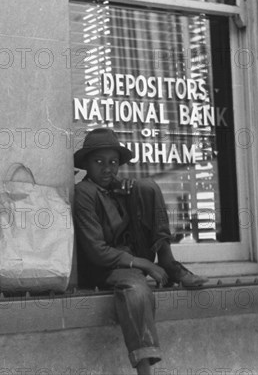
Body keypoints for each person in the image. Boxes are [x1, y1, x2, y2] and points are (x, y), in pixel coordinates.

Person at [73, 127, 208, 374]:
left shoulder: (118, 187)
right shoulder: (85, 192)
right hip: (106, 267)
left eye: (113, 162)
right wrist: (145, 264)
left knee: (147, 186)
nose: (107, 169)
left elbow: (136, 212)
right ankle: (144, 368)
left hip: (134, 258)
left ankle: (169, 262)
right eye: (99, 162)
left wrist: (127, 192)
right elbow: (96, 251)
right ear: (86, 165)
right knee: (137, 290)